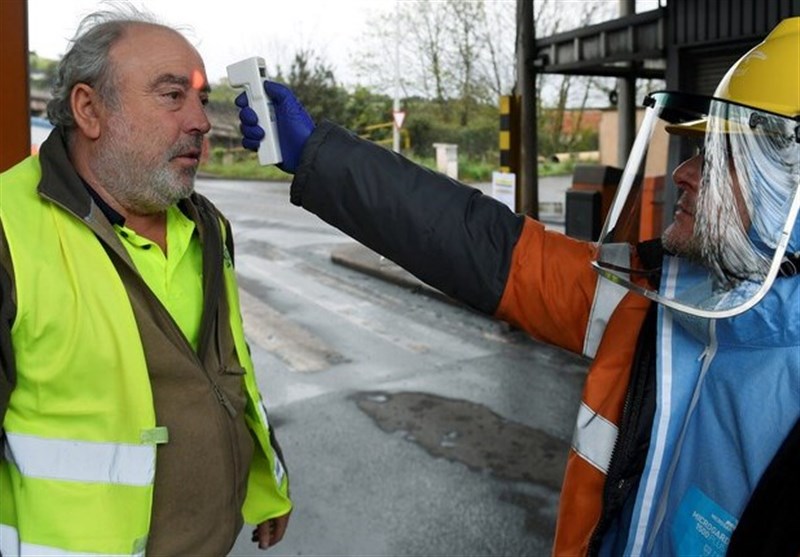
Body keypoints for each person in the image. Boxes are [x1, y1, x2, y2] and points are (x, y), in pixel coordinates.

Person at [236, 16, 799, 556]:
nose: (683, 172)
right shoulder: (654, 292)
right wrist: (319, 157)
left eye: (725, 160)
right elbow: (479, 244)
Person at [0, 7, 291, 556]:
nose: (201, 121)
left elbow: (232, 369)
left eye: (201, 100)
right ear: (90, 109)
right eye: (171, 95)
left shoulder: (206, 224)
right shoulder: (6, 231)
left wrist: (266, 477)